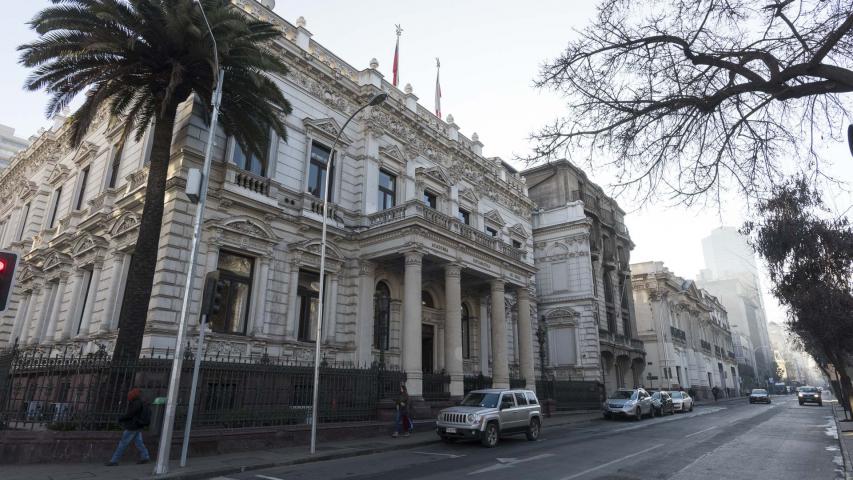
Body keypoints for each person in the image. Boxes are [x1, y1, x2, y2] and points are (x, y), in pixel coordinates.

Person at [105, 388, 151, 466]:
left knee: (123, 443)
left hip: (132, 426)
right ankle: (145, 457)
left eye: (130, 394)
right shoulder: (141, 402)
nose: (128, 396)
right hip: (138, 426)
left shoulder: (136, 403)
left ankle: (114, 460)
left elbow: (131, 414)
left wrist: (121, 418)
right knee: (139, 443)